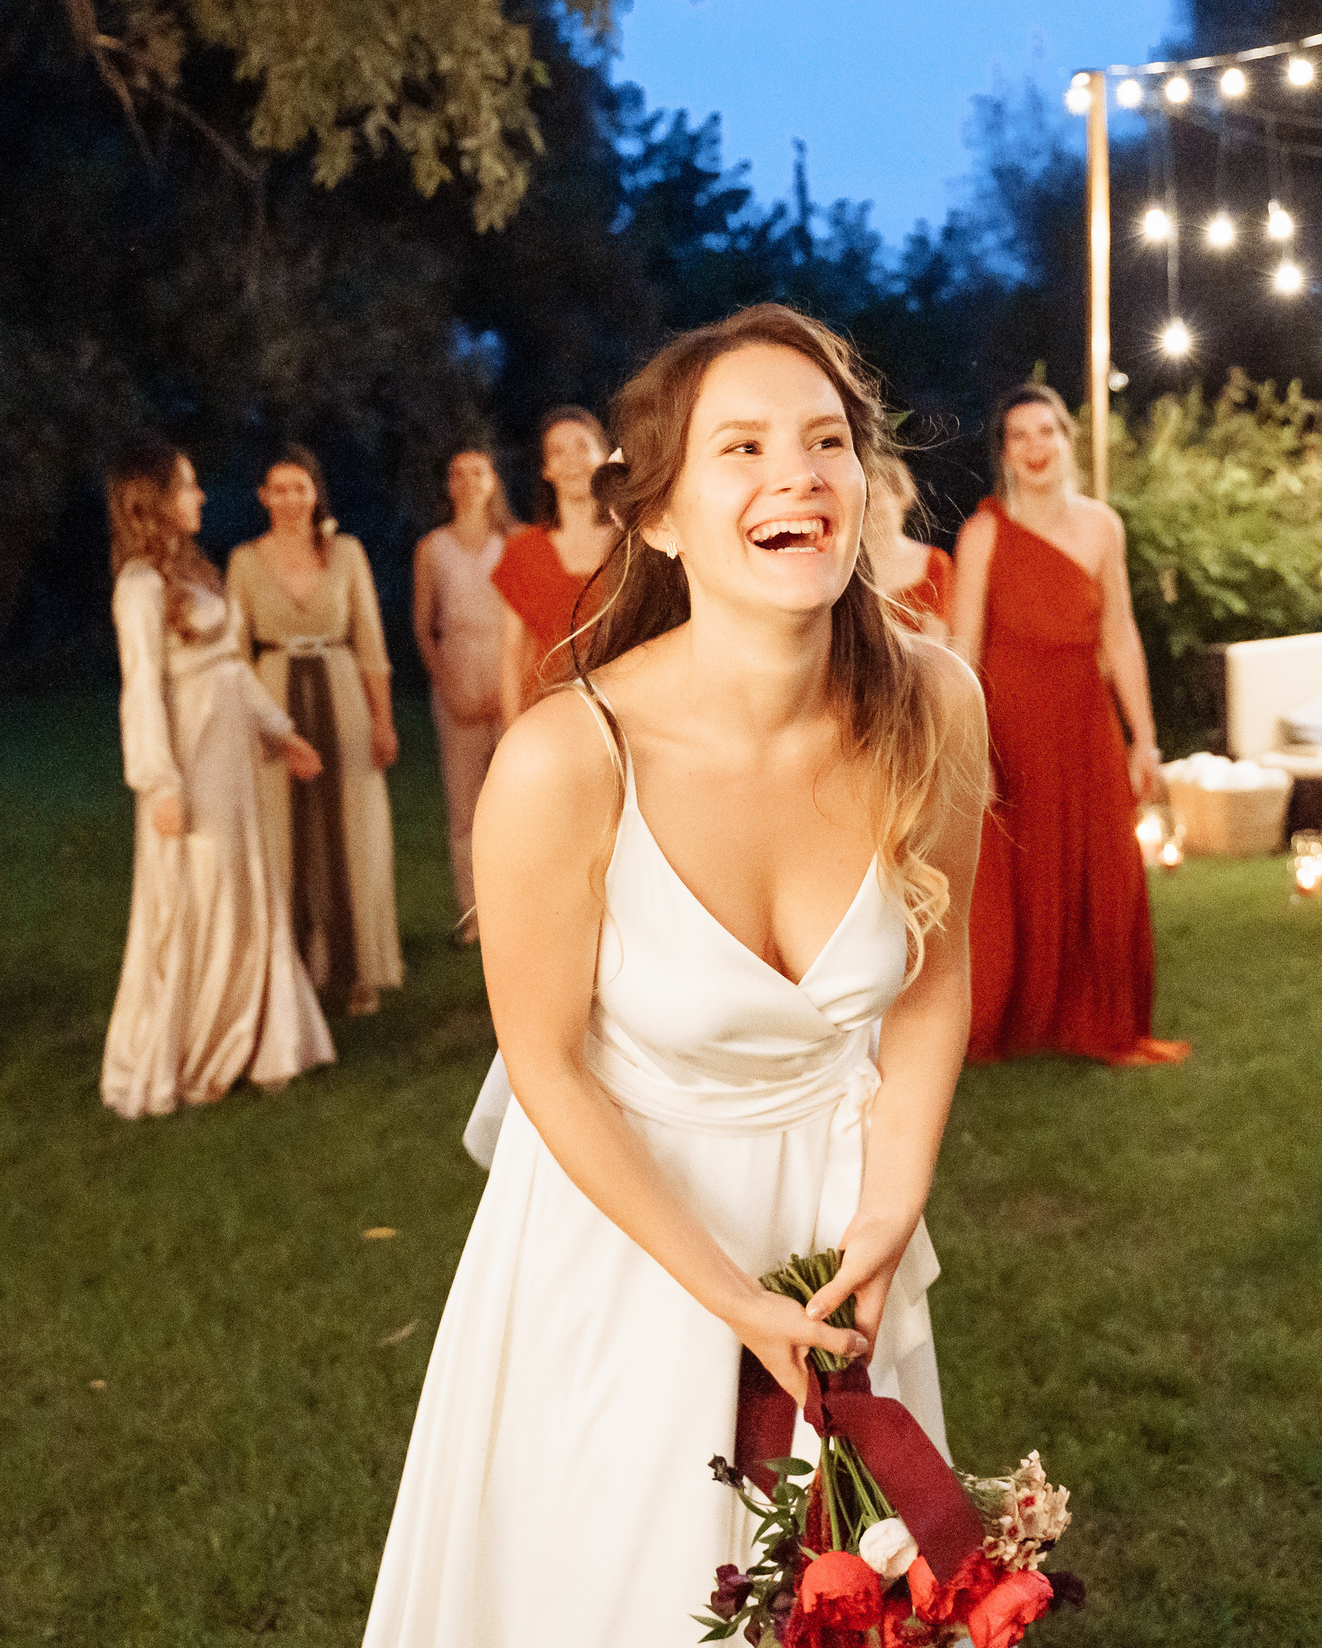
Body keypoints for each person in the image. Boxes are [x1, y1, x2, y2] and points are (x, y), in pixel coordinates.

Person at [365, 304, 990, 1647]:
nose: (798, 475)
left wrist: (892, 1198)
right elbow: (541, 1060)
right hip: (622, 1253)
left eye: (827, 441)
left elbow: (937, 975)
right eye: (744, 445)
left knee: (853, 1597)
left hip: (838, 1246)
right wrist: (727, 1298)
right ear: (656, 516)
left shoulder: (934, 701)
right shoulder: (566, 757)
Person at [950, 385, 1189, 1067]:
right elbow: (963, 653)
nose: (1034, 448)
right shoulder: (984, 532)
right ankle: (1019, 1012)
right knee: (1017, 876)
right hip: (1010, 723)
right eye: (1019, 436)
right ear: (1004, 453)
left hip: (1085, 720)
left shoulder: (1102, 526)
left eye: (1046, 432)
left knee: (1103, 866)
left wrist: (1144, 737)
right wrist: (973, 748)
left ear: (1066, 440)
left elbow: (1121, 635)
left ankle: (1099, 1016)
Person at [102, 437, 334, 1116]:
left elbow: (231, 668)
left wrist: (281, 731)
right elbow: (141, 688)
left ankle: (258, 1034)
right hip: (189, 761)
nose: (200, 497)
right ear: (154, 500)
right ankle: (196, 1045)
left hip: (231, 754)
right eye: (186, 487)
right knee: (199, 891)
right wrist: (158, 782)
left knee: (242, 881)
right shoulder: (139, 587)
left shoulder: (195, 571)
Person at [226, 446, 404, 1016]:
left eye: (299, 487)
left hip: (341, 690)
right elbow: (232, 655)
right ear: (263, 497)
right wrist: (251, 725)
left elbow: (372, 643)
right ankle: (294, 966)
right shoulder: (245, 562)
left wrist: (383, 720)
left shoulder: (345, 552)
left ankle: (360, 967)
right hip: (275, 691)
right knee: (282, 831)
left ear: (315, 493)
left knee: (355, 828)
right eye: (277, 489)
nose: (289, 499)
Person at [411, 446, 514, 943]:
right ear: (448, 485)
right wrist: (448, 687)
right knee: (465, 802)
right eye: (458, 474)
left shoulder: (514, 541)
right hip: (458, 669)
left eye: (478, 472)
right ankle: (473, 913)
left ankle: (523, 904)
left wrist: (512, 688)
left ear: (493, 480)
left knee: (517, 798)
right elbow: (423, 626)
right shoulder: (434, 547)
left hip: (509, 666)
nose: (468, 481)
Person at [490, 406, 616, 723]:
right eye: (557, 451)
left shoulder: (634, 544)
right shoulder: (523, 551)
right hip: (549, 716)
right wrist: (512, 733)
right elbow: (511, 655)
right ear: (546, 469)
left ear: (604, 456)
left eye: (582, 446)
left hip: (626, 712)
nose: (572, 460)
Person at [866, 450, 954, 640]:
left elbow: (937, 643)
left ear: (902, 498)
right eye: (865, 499)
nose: (872, 507)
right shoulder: (846, 565)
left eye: (879, 496)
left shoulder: (935, 562)